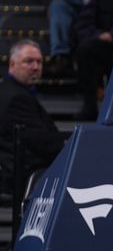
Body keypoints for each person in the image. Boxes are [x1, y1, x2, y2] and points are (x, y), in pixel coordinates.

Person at [0, 41, 64, 185]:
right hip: (25, 179)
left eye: (39, 62)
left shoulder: (14, 90)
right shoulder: (16, 97)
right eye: (28, 61)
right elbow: (45, 143)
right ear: (12, 64)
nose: (35, 67)